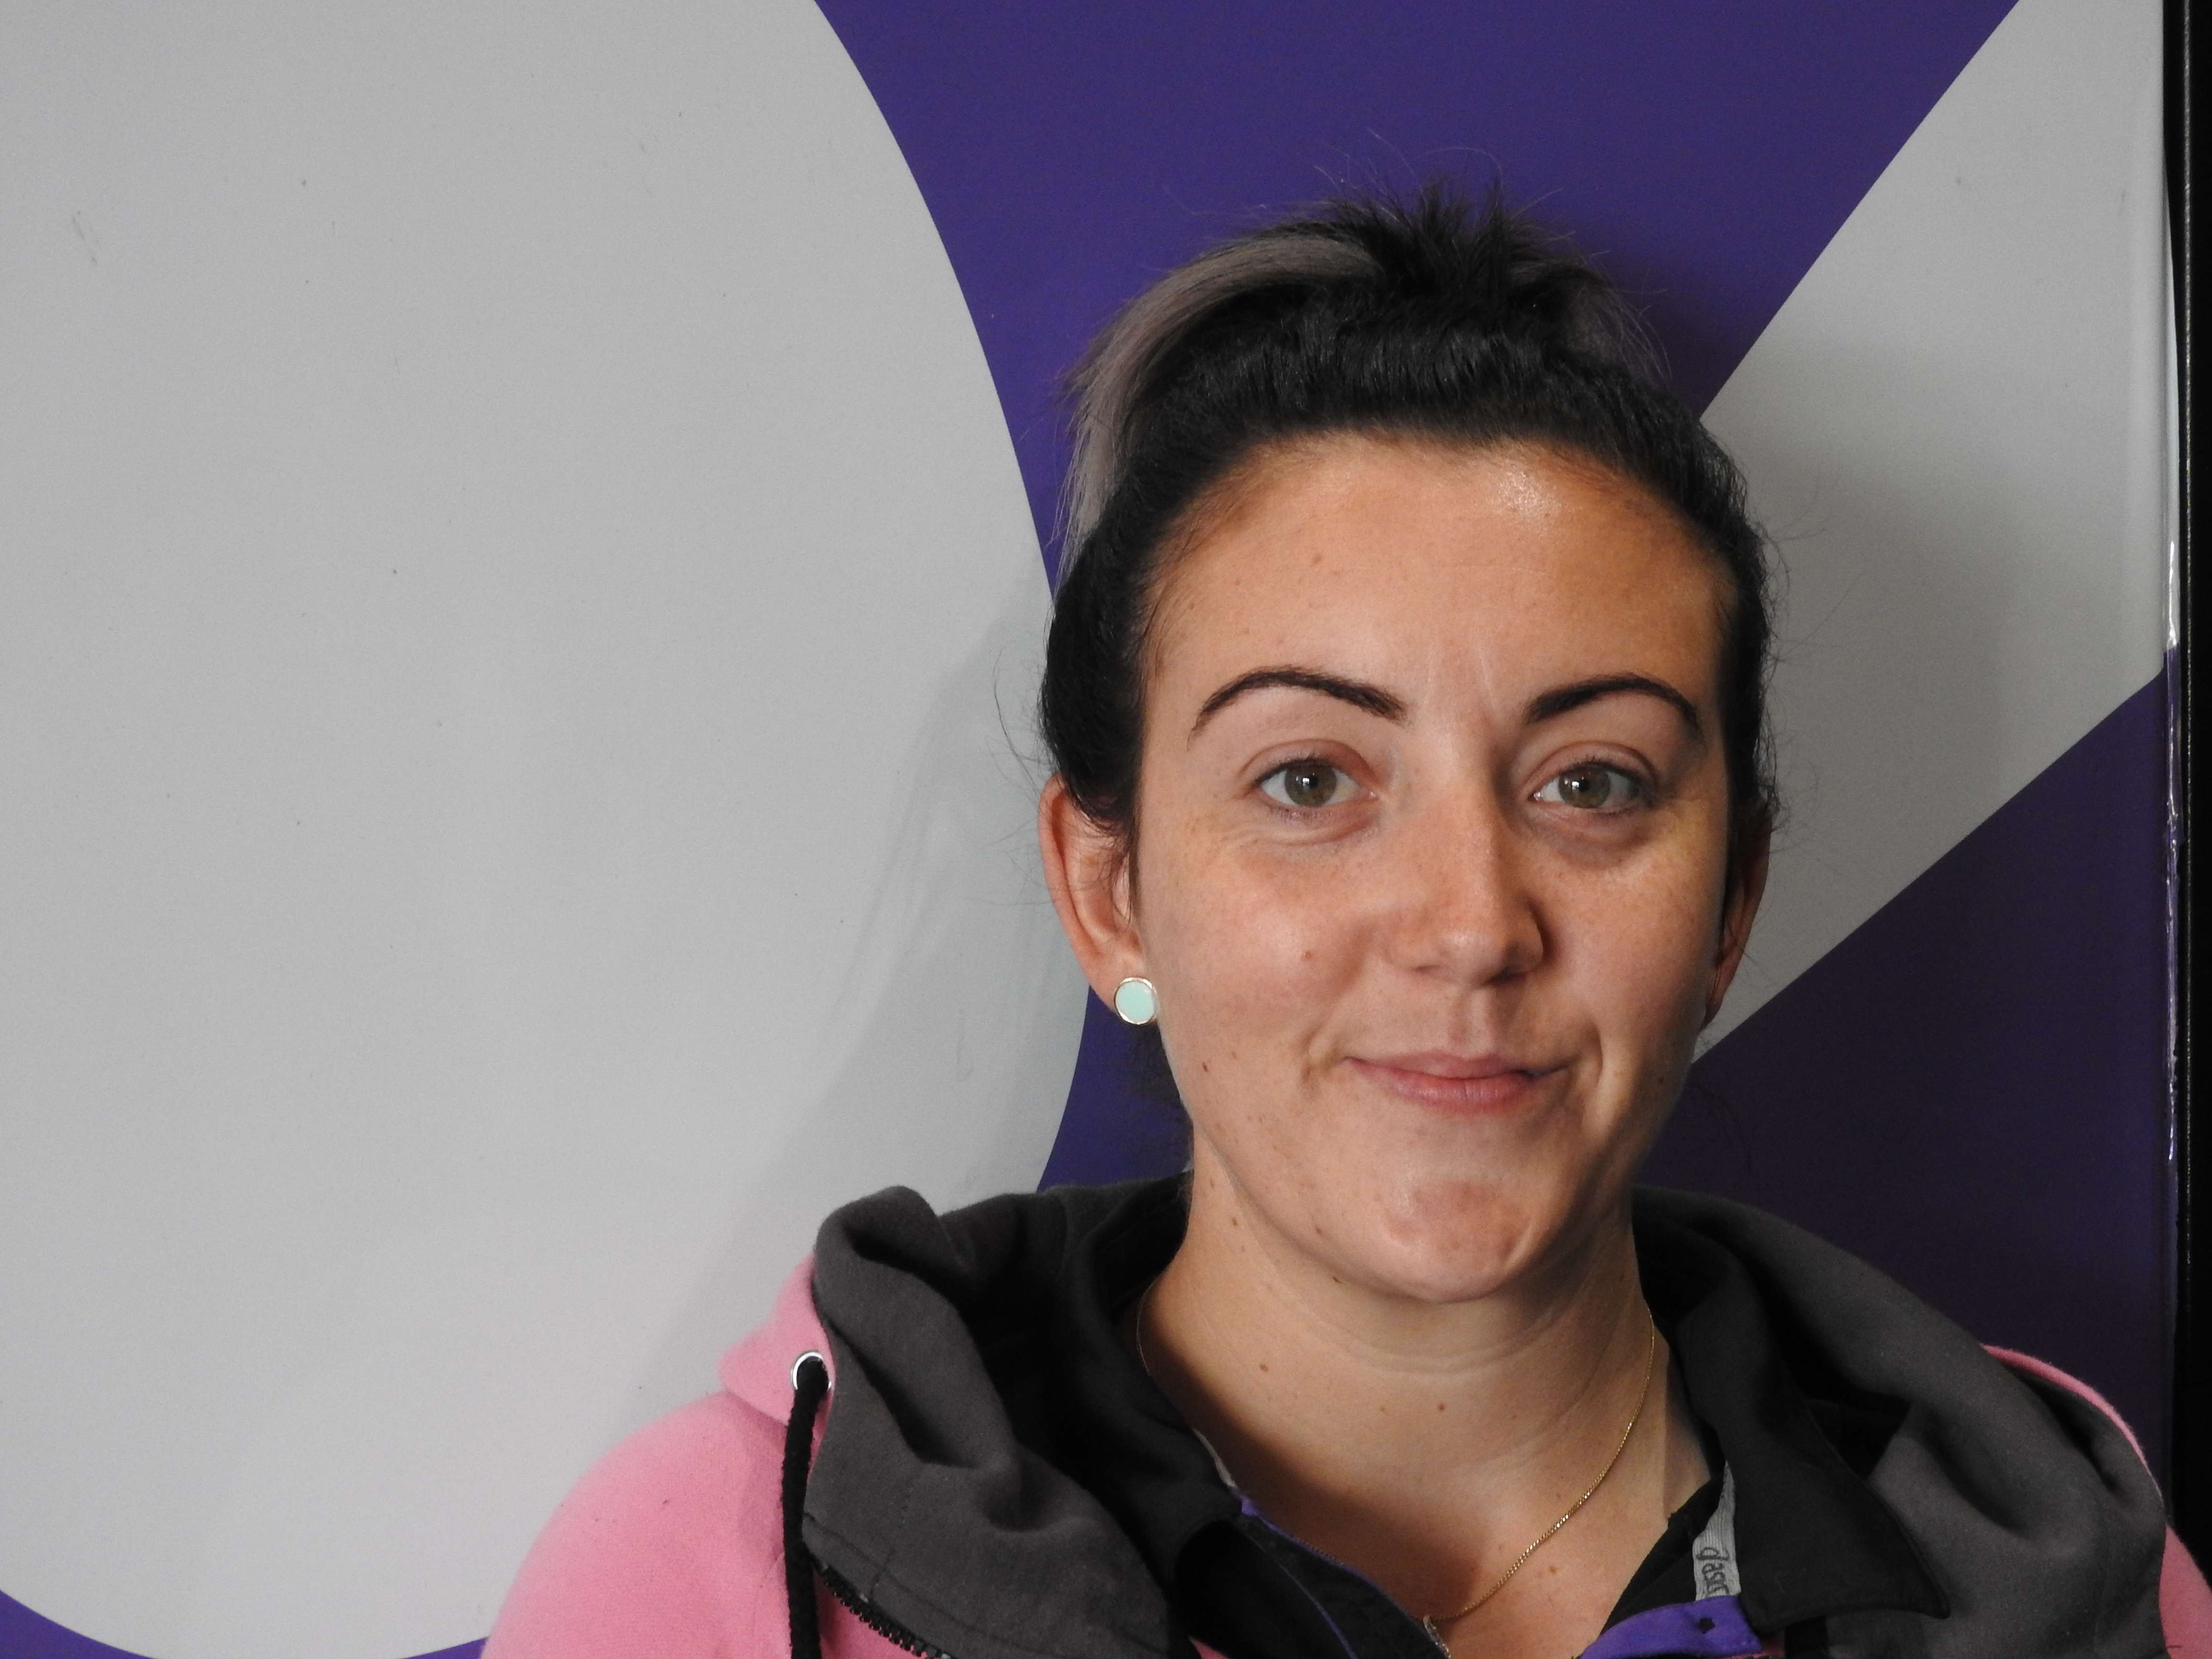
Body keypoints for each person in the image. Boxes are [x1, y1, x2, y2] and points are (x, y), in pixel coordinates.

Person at [484, 187, 2208, 1659]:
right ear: (1109, 893)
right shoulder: (708, 1583)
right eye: (1309, 780)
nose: (1469, 925)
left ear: (1730, 901)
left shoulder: (2079, 1580)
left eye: (1592, 782)